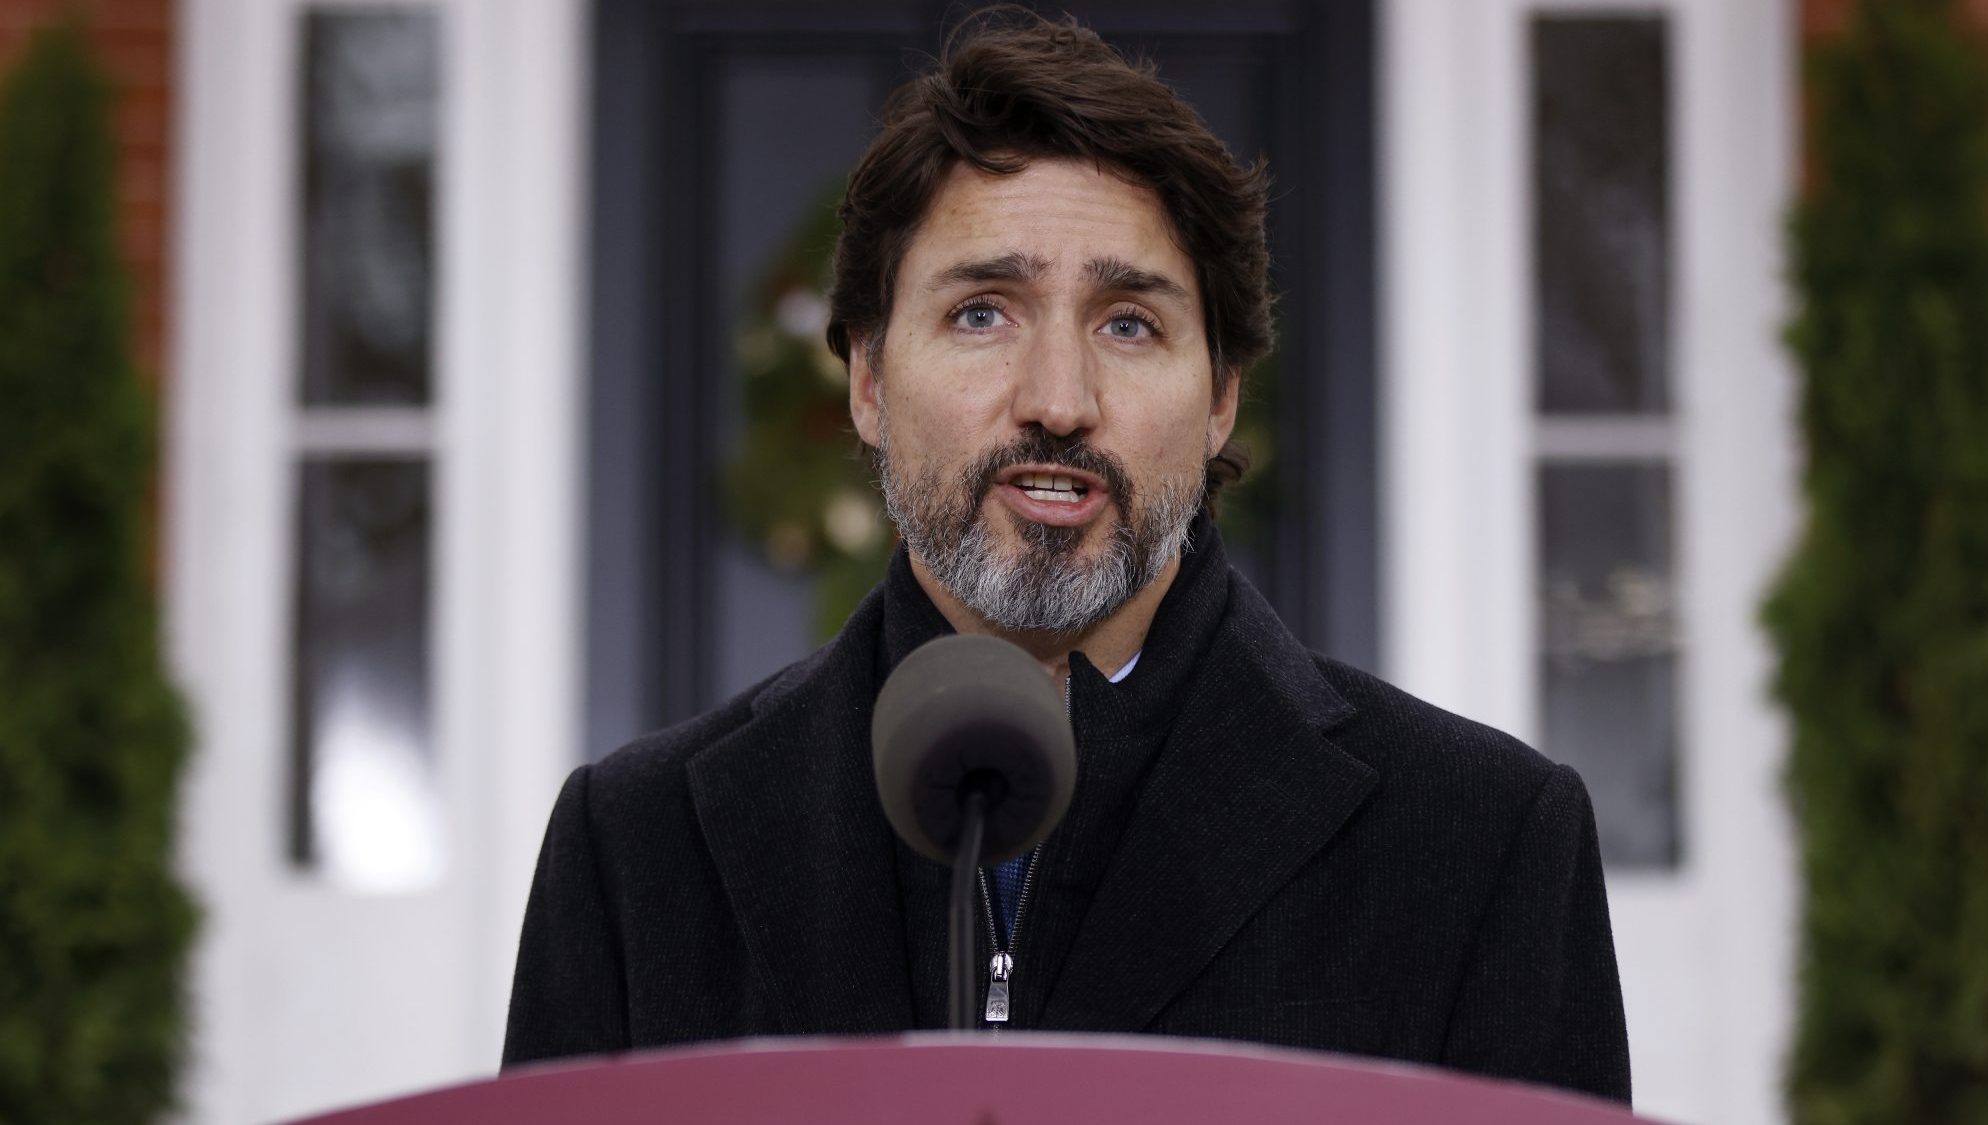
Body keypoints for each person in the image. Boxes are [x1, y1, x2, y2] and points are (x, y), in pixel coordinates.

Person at [503, 9, 1630, 1105]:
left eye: (1127, 323)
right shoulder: (637, 852)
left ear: (1222, 397)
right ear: (866, 380)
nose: (1057, 401)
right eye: (982, 313)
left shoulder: (1481, 847)